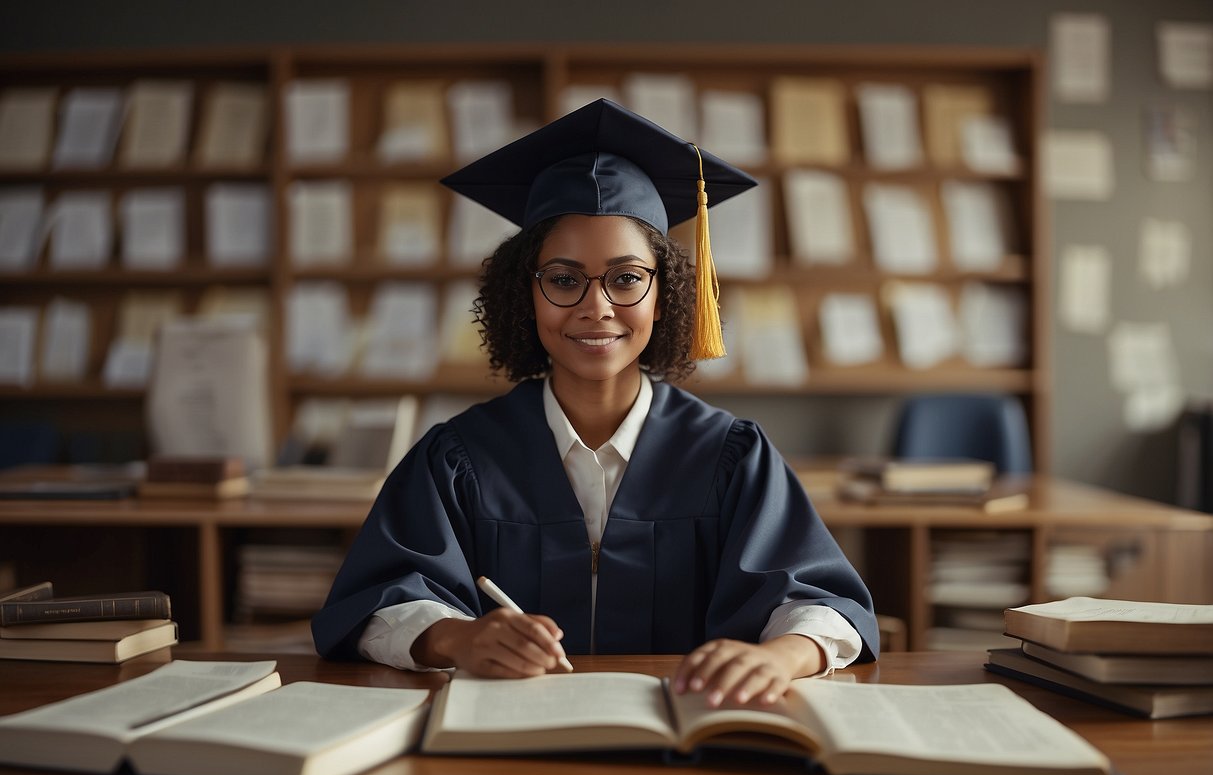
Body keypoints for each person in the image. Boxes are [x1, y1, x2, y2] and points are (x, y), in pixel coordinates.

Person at [312, 99, 879, 708]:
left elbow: (823, 605)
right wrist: (457, 638)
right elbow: (373, 603)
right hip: (507, 735)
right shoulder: (460, 457)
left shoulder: (729, 455)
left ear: (664, 294)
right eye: (562, 279)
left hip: (688, 736)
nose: (596, 307)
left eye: (626, 277)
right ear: (524, 295)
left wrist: (775, 657)